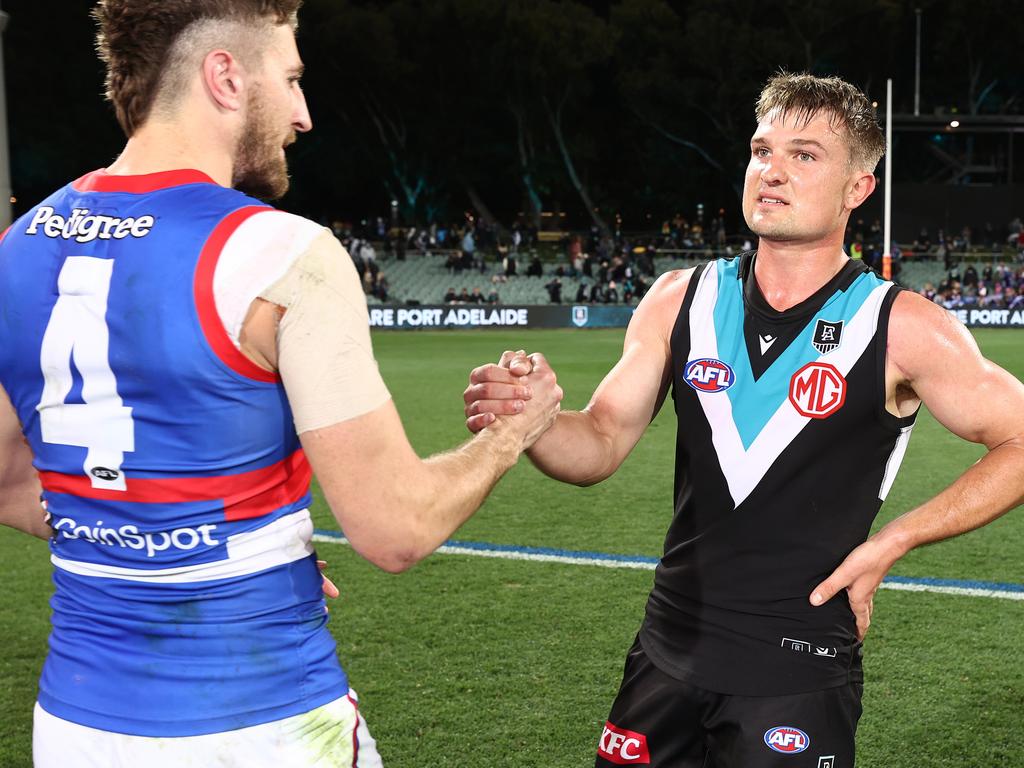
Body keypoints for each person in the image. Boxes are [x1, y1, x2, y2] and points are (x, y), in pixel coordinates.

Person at [0, 1, 561, 765]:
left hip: (76, 728)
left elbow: (6, 480)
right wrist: (513, 433)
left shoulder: (19, 245)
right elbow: (394, 528)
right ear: (226, 77)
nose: (303, 114)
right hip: (259, 720)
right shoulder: (281, 253)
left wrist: (186, 544)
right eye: (291, 79)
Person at [463, 72, 1024, 767]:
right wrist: (536, 419)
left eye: (805, 155)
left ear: (858, 188)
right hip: (666, 650)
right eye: (762, 151)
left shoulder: (902, 326)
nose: (773, 171)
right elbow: (601, 441)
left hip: (795, 668)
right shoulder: (680, 299)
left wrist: (894, 542)